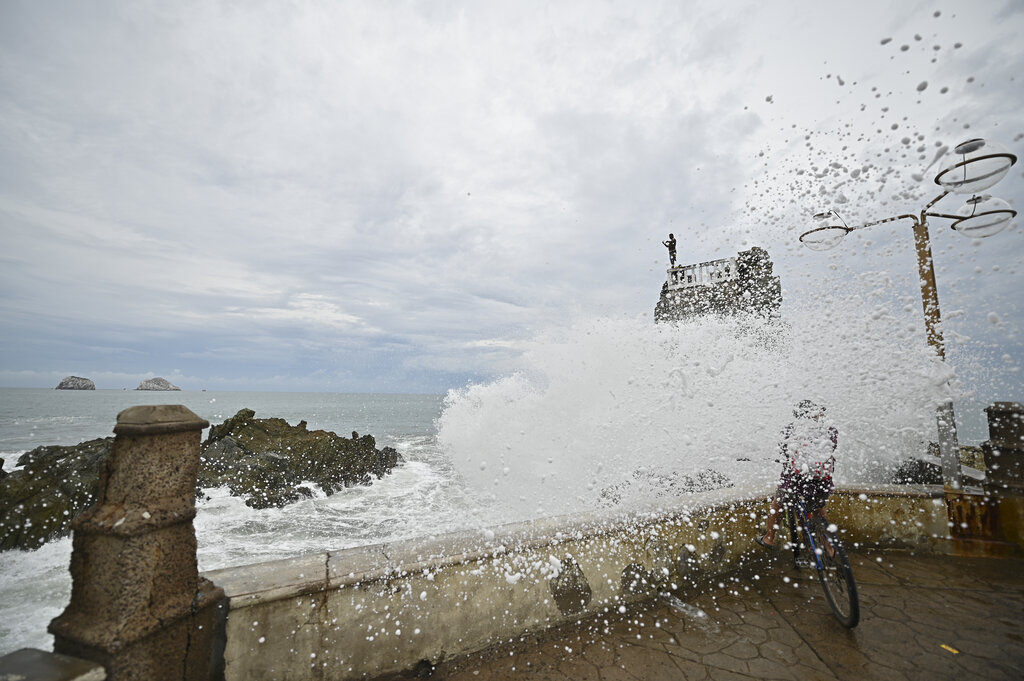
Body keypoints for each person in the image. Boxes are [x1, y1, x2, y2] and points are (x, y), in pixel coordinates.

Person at [756, 400, 837, 549]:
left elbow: (784, 452)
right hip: (821, 482)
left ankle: (769, 538)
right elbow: (832, 449)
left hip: (796, 482)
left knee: (778, 502)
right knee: (818, 509)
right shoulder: (829, 430)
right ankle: (829, 546)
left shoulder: (791, 429)